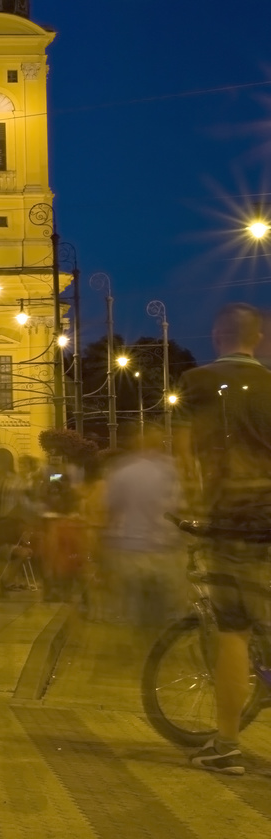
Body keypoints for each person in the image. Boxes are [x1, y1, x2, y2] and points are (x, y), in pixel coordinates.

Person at [175, 303, 271, 776]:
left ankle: (227, 745)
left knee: (234, 634)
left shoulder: (199, 383)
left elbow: (184, 454)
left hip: (233, 525)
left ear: (217, 335)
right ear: (258, 338)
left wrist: (192, 514)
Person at [101, 428, 181, 627]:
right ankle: (158, 644)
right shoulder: (170, 471)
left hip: (129, 547)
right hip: (164, 547)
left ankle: (137, 644)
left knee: (133, 604)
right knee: (162, 606)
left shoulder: (122, 470)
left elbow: (111, 511)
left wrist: (104, 542)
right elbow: (179, 508)